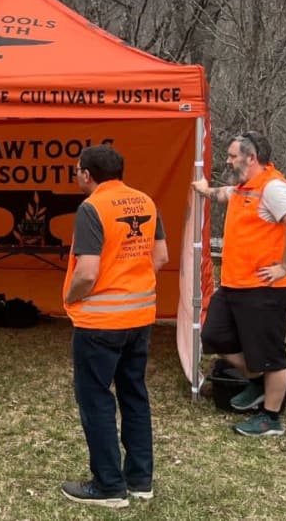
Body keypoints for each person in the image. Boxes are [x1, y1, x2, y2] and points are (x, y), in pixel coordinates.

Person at [61, 145, 167, 508]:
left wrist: (70, 298)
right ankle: (140, 480)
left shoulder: (91, 208)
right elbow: (161, 257)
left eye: (77, 170)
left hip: (100, 323)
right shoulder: (146, 202)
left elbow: (87, 273)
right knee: (134, 395)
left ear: (87, 174)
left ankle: (108, 486)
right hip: (140, 318)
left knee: (96, 400)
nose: (76, 176)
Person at [192, 130, 286, 437]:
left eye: (233, 156)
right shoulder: (246, 187)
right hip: (236, 284)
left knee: (270, 354)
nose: (228, 161)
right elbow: (225, 194)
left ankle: (270, 418)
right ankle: (259, 382)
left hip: (266, 289)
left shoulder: (273, 188)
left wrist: (285, 266)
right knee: (214, 336)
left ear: (251, 157)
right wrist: (205, 190)